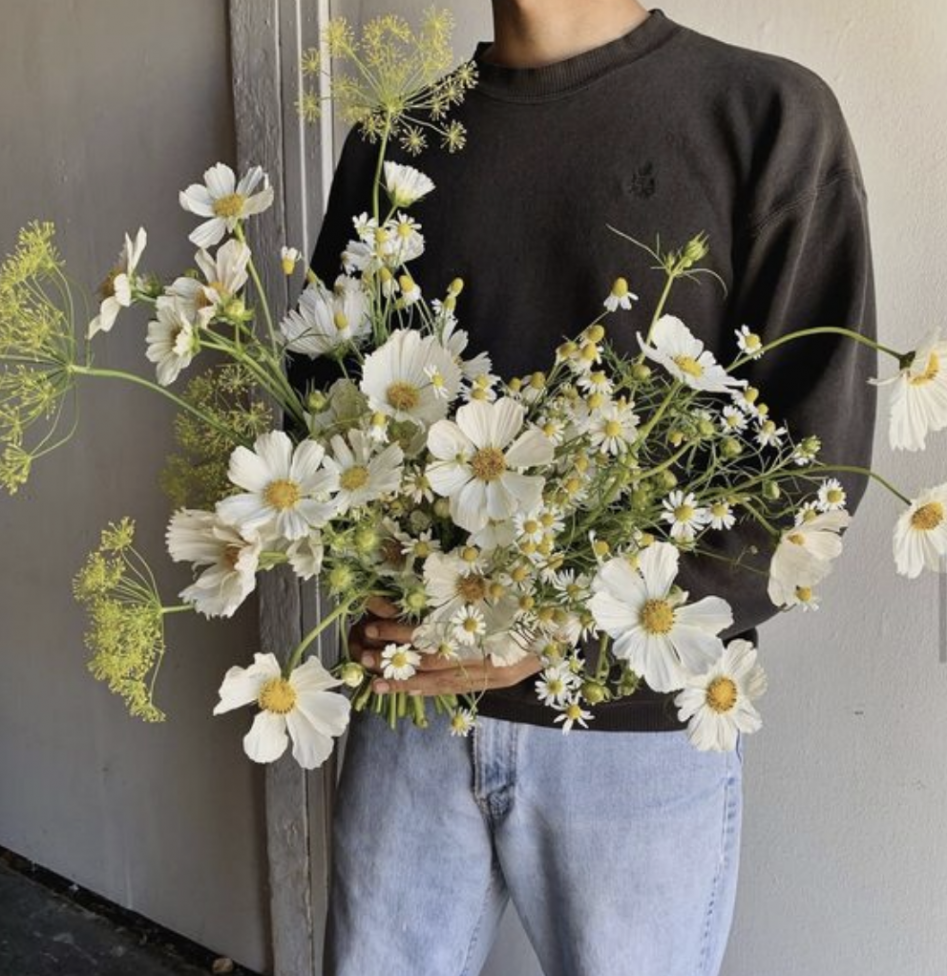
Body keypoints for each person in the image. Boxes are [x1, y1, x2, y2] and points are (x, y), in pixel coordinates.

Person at [288, 3, 877, 974]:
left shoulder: (764, 117)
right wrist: (374, 568)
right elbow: (320, 412)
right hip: (411, 712)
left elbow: (807, 483)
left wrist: (551, 630)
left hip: (633, 732)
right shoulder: (397, 141)